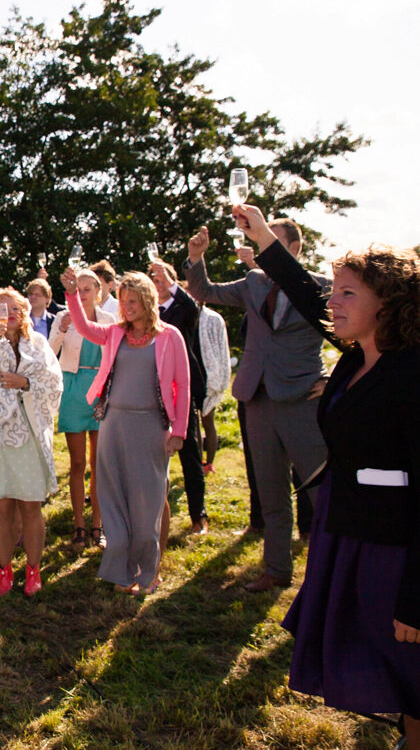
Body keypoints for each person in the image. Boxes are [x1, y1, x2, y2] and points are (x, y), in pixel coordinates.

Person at [235, 204, 420, 747]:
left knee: (412, 674)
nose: (330, 303)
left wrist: (417, 597)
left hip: (395, 548)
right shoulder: (356, 354)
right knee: (397, 677)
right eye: (333, 291)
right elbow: (303, 291)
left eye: (346, 294)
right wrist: (264, 236)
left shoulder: (412, 373)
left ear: (387, 306)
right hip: (349, 533)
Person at [184, 218, 329, 592]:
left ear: (294, 249)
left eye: (271, 244)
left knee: (321, 490)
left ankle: (331, 575)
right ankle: (276, 570)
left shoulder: (321, 287)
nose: (263, 251)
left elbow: (359, 333)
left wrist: (334, 377)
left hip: (302, 398)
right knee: (270, 490)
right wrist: (195, 256)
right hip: (257, 397)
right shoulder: (254, 283)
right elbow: (204, 290)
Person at [60, 268, 189, 595]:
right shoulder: (116, 332)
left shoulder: (170, 336)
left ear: (148, 300)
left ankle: (149, 573)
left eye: (133, 301)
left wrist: (180, 431)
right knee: (113, 496)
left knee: (149, 500)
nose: (127, 306)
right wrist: (73, 294)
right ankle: (120, 570)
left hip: (151, 426)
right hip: (113, 422)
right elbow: (85, 327)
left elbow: (183, 386)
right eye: (123, 301)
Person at [0, 289, 63, 596]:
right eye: (1, 310)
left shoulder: (38, 343)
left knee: (32, 505)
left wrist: (26, 383)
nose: (8, 316)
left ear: (24, 312)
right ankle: (4, 571)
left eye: (15, 310)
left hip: (30, 434)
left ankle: (33, 570)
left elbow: (54, 383)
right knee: (1, 508)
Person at [49, 269, 115, 550]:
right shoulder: (63, 317)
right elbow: (49, 354)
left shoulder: (110, 320)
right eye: (80, 288)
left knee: (100, 464)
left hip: (101, 391)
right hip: (74, 389)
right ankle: (78, 525)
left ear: (99, 292)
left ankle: (98, 526)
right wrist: (62, 329)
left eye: (90, 288)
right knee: (77, 464)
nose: (85, 292)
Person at [149, 260, 209, 536]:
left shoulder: (182, 309)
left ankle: (199, 516)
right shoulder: (146, 313)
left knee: (189, 453)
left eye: (162, 279)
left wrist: (170, 281)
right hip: (149, 392)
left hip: (181, 389)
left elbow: (191, 305)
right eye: (153, 278)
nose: (157, 282)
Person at [197, 304, 230, 473]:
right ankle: (198, 463)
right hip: (192, 376)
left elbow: (222, 349)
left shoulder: (213, 319)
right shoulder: (186, 314)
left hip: (210, 377)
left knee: (208, 421)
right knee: (194, 425)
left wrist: (222, 379)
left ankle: (209, 463)